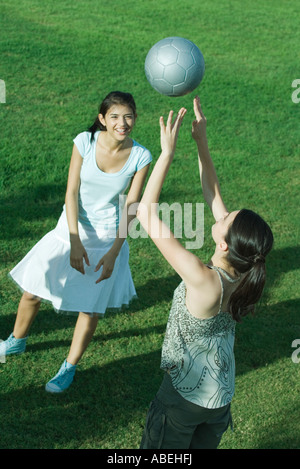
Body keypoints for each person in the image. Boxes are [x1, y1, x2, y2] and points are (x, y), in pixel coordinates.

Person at [137, 97, 274, 449]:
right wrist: (201, 143)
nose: (221, 214)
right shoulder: (247, 268)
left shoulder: (203, 279)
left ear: (226, 244)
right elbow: (212, 193)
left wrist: (166, 154)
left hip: (184, 400)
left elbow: (145, 215)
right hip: (220, 396)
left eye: (226, 219)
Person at [1, 91, 152, 393]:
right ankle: (15, 342)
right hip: (70, 227)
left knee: (90, 309)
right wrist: (74, 241)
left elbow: (132, 207)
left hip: (108, 236)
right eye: (115, 117)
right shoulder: (84, 142)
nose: (123, 123)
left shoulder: (141, 156)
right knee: (33, 291)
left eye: (128, 116)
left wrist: (114, 253)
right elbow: (71, 192)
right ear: (102, 120)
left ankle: (68, 367)